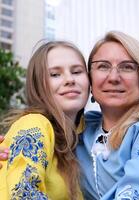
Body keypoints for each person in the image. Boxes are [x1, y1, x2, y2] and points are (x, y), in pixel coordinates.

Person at [76, 31, 139, 200]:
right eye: (103, 66)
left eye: (127, 67)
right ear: (89, 79)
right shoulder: (82, 128)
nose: (113, 77)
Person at [0, 40, 89, 200]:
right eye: (55, 74)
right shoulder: (35, 123)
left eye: (77, 72)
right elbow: (23, 193)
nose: (70, 80)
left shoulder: (78, 141)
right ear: (38, 86)